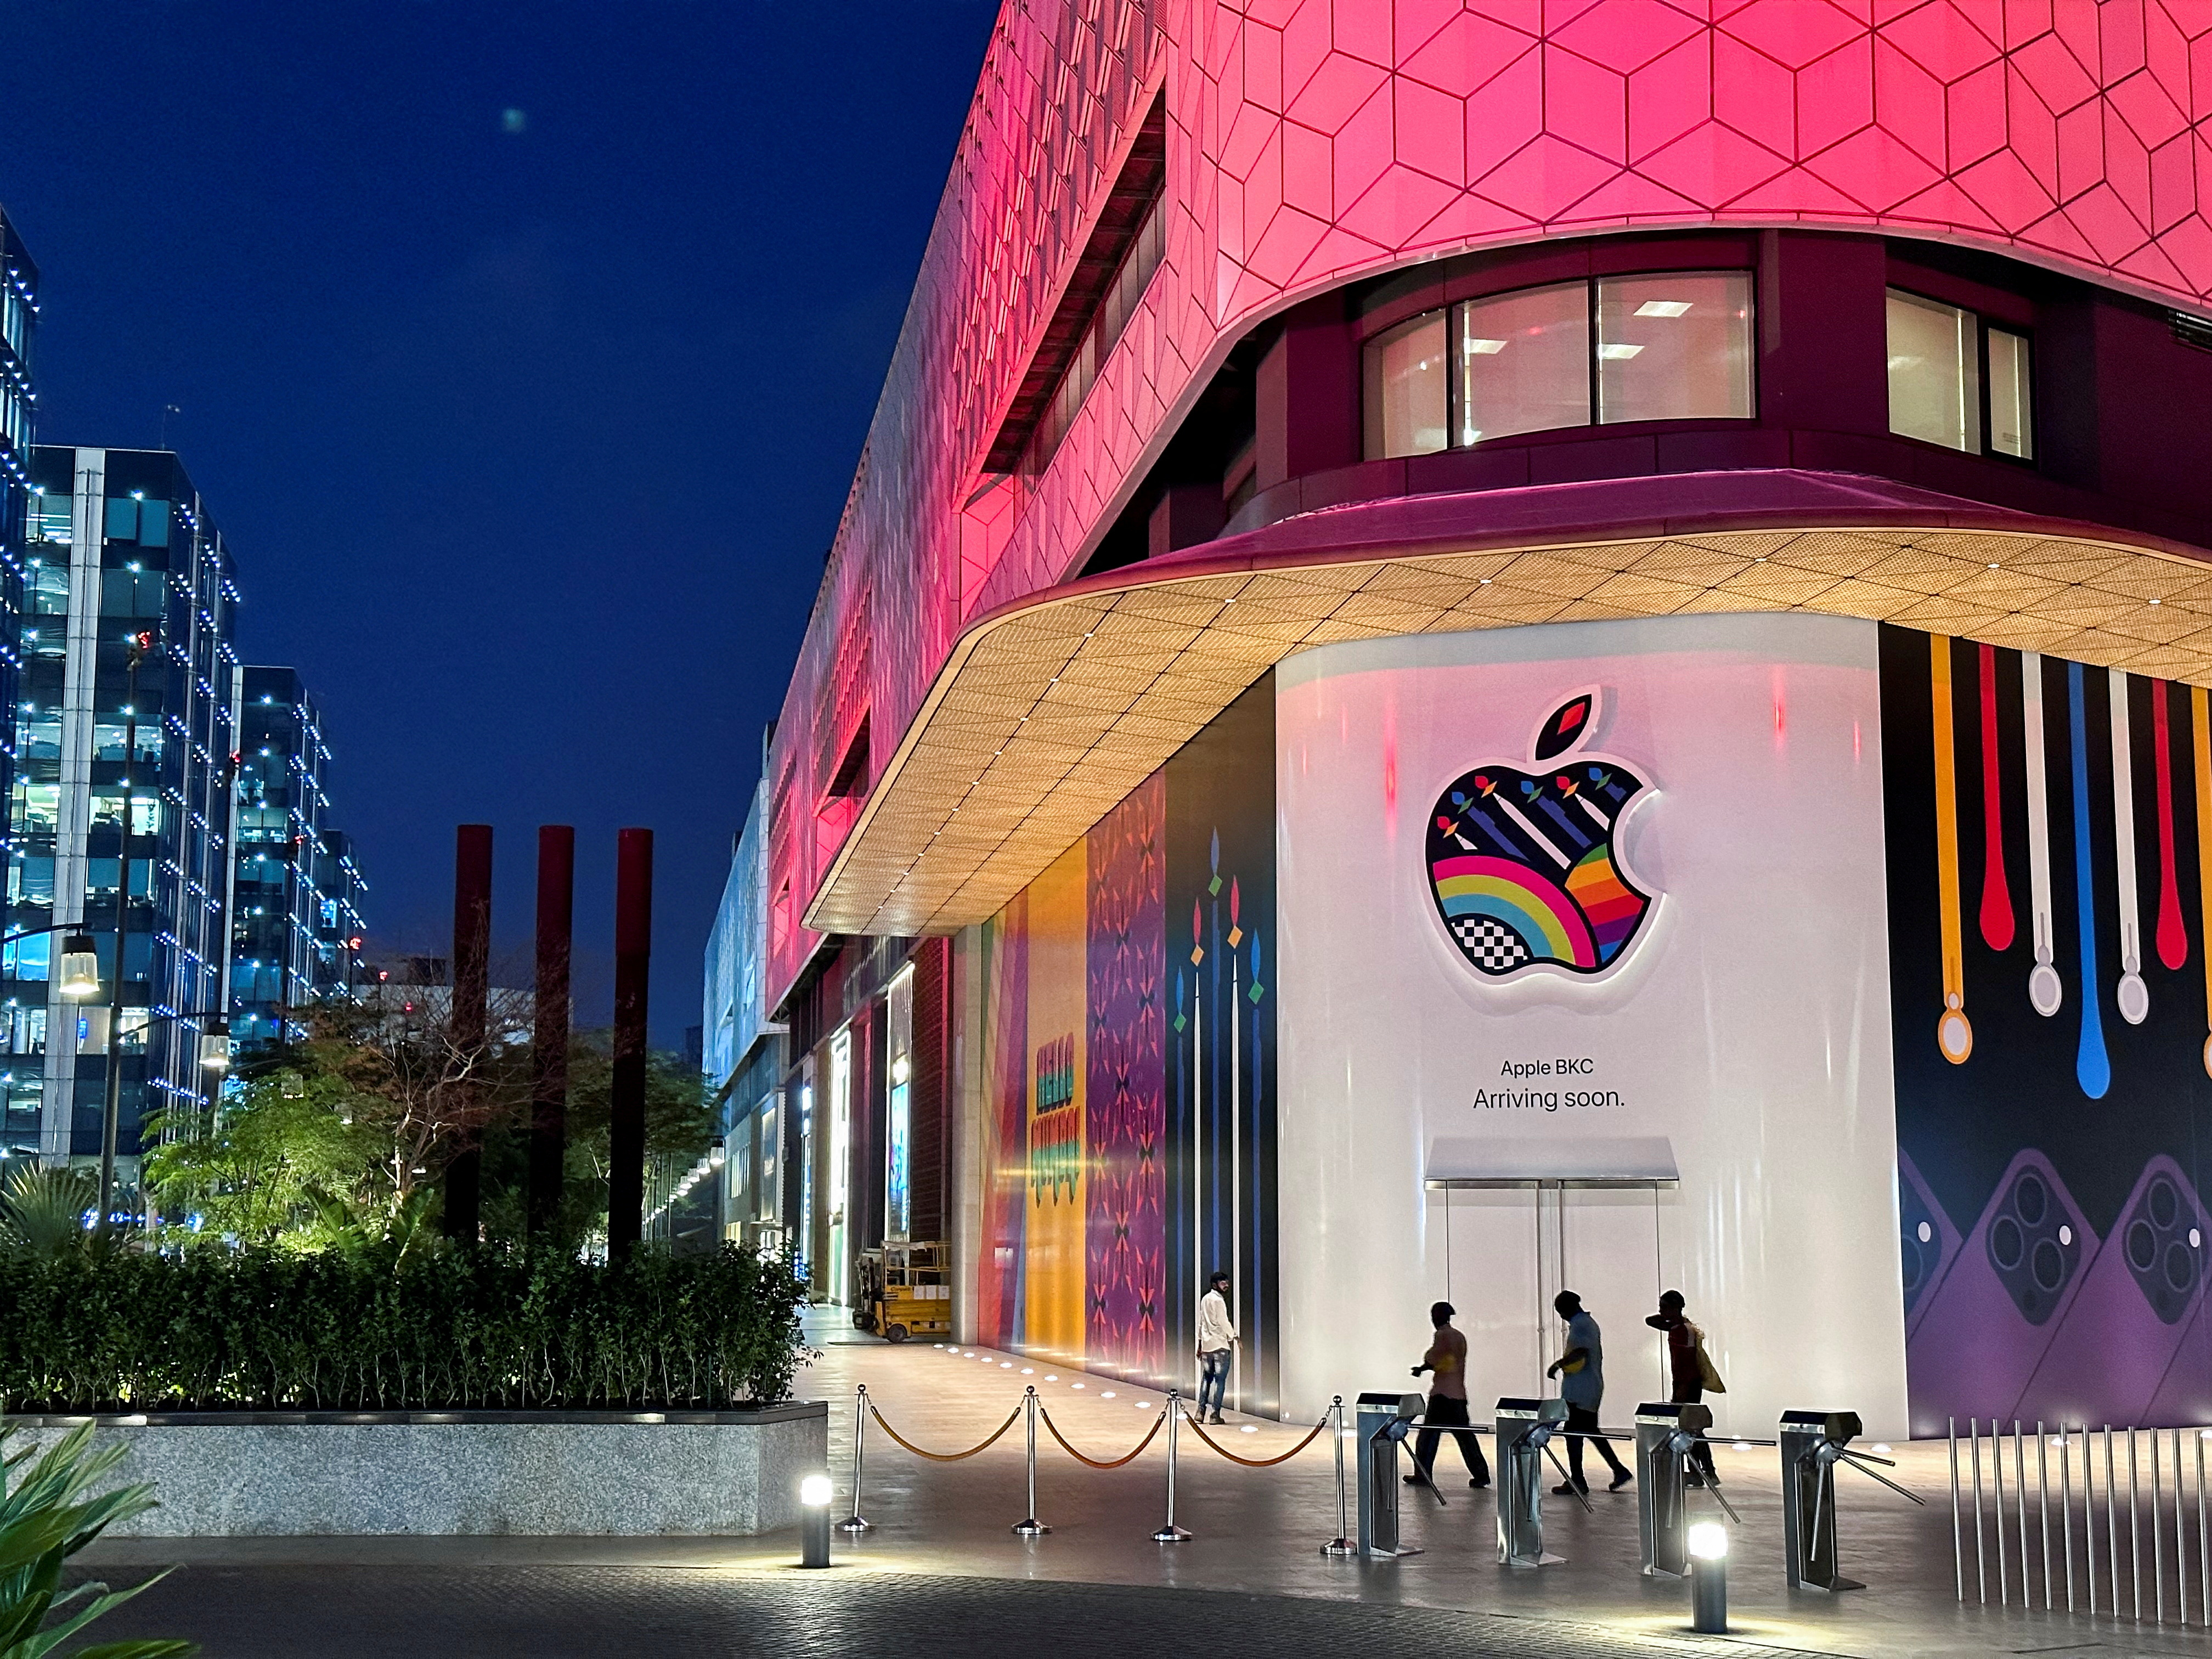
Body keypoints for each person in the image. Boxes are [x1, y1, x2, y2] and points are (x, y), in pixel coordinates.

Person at [1544, 1290, 1631, 1494]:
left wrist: (1558, 1365)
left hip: (1580, 1390)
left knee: (1573, 1434)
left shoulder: (1581, 1325)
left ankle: (1578, 1481)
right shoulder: (1586, 1323)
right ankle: (1618, 1470)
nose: (1561, 1316)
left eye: (1560, 1311)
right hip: (1589, 1387)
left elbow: (1581, 1351)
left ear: (1566, 1309)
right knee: (1591, 1431)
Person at [1407, 1300, 1489, 1489]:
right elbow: (1448, 1360)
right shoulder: (1460, 1336)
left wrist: (1423, 1366)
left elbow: (1435, 1357)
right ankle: (1481, 1474)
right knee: (1466, 1438)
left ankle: (1422, 1474)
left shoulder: (1442, 1335)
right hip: (1458, 1394)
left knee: (1428, 1437)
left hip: (1442, 1394)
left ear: (1437, 1317)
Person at [1646, 1289, 1720, 1485]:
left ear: (1676, 1308)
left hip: (1687, 1384)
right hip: (1685, 1383)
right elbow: (1651, 1321)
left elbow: (1686, 1363)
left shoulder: (1681, 1331)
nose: (1661, 1311)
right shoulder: (1681, 1327)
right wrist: (1674, 1318)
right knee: (1691, 1429)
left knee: (1691, 1430)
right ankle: (1704, 1471)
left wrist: (1681, 1391)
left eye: (1665, 1307)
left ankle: (1703, 1472)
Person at [1195, 1268, 1236, 1425]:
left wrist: (1200, 1344)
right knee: (1220, 1381)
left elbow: (1201, 1323)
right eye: (1222, 1282)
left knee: (1206, 1379)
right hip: (1220, 1345)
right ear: (1215, 1285)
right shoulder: (1219, 1301)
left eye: (1226, 1282)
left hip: (1207, 1346)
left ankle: (1200, 1412)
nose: (1226, 1285)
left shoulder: (1205, 1299)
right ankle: (1215, 1415)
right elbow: (1223, 1321)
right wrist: (1233, 1336)